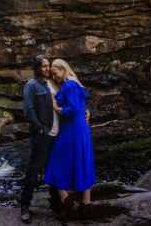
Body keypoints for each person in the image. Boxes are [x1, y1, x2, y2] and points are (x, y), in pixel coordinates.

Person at [20, 55, 90, 223]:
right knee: (34, 169)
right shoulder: (32, 86)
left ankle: (56, 203)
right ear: (37, 68)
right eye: (44, 67)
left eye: (49, 66)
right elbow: (28, 111)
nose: (47, 69)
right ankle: (25, 205)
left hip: (61, 133)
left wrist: (85, 112)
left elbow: (73, 100)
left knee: (56, 167)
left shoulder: (57, 83)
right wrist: (39, 129)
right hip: (43, 134)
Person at [44, 58, 96, 219]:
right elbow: (79, 105)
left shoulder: (69, 84)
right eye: (52, 74)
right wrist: (85, 111)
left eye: (55, 73)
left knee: (53, 162)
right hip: (78, 128)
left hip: (72, 128)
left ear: (63, 69)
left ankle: (65, 201)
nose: (54, 77)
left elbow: (73, 109)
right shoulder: (72, 84)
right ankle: (86, 205)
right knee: (82, 162)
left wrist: (56, 107)